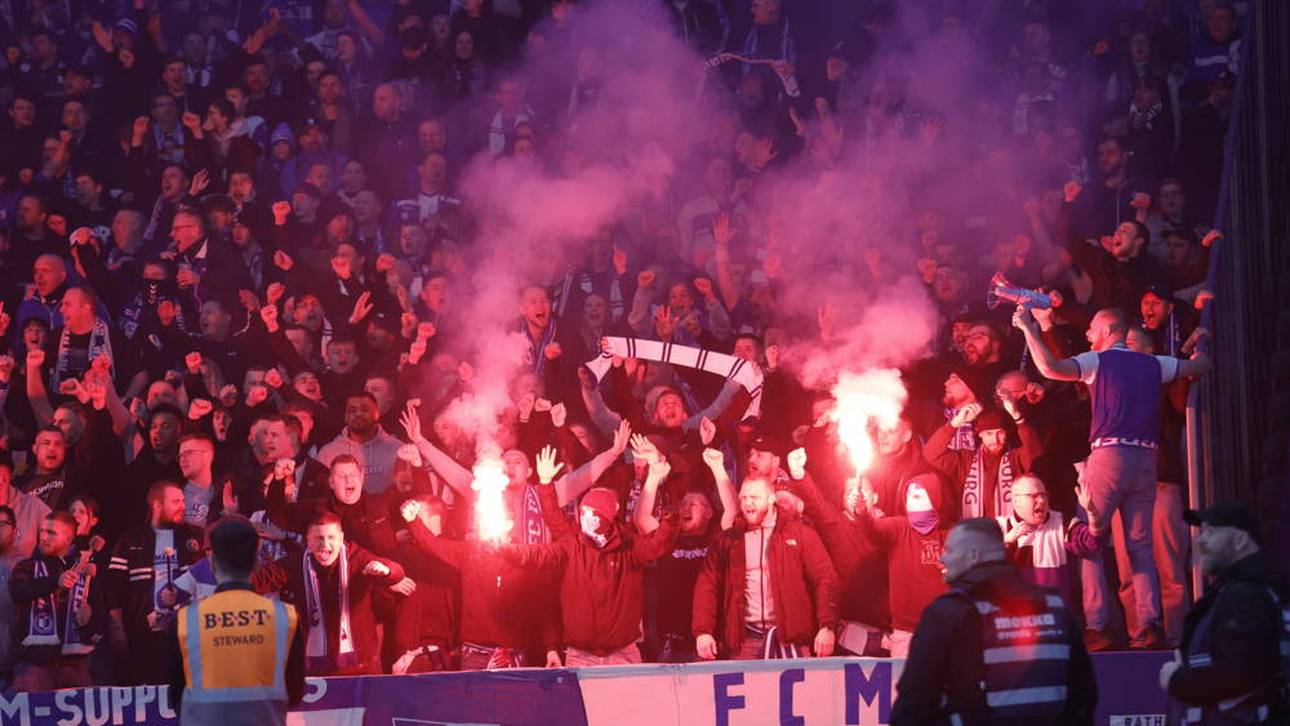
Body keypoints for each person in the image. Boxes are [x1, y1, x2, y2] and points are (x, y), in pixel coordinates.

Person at [1014, 305, 1211, 649]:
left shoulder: (1098, 360)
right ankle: (1149, 625)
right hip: (1147, 459)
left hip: (1110, 456)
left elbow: (1049, 367)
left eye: (1091, 329)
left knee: (1088, 539)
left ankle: (1098, 625)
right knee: (1140, 548)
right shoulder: (1154, 364)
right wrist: (1202, 342)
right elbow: (1202, 365)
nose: (1088, 335)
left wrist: (1027, 328)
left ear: (1107, 331)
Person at [891, 517, 1097, 725]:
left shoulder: (948, 613)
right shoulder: (1055, 605)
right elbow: (1083, 694)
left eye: (950, 550)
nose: (943, 558)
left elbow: (913, 706)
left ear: (973, 556)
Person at [168, 515, 305, 725]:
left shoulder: (186, 621)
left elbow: (176, 700)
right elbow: (295, 694)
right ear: (256, 563)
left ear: (212, 565)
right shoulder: (285, 618)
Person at [1160, 501, 1288, 725]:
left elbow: (1240, 673)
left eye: (1210, 531)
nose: (1201, 540)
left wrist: (1176, 680)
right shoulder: (1261, 587)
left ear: (1240, 540)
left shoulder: (1244, 594)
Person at [692, 476, 837, 660]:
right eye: (743, 497)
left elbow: (824, 579)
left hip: (791, 642)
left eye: (754, 497)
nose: (747, 503)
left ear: (771, 499)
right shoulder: (727, 541)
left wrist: (827, 626)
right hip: (745, 642)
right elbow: (706, 586)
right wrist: (703, 631)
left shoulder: (800, 534)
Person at [251, 511, 404, 676]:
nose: (325, 545)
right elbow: (258, 581)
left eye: (331, 537)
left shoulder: (358, 558)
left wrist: (386, 571)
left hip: (360, 665)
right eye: (318, 538)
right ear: (308, 539)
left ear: (341, 538)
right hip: (315, 668)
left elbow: (397, 572)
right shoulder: (295, 563)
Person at [7, 511, 103, 690]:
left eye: (51, 533)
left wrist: (88, 623)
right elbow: (18, 591)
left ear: (68, 539)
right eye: (42, 531)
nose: (43, 537)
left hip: (76, 666)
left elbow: (99, 618)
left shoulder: (84, 571)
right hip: (34, 666)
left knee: (87, 714)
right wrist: (54, 582)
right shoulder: (26, 566)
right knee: (30, 715)